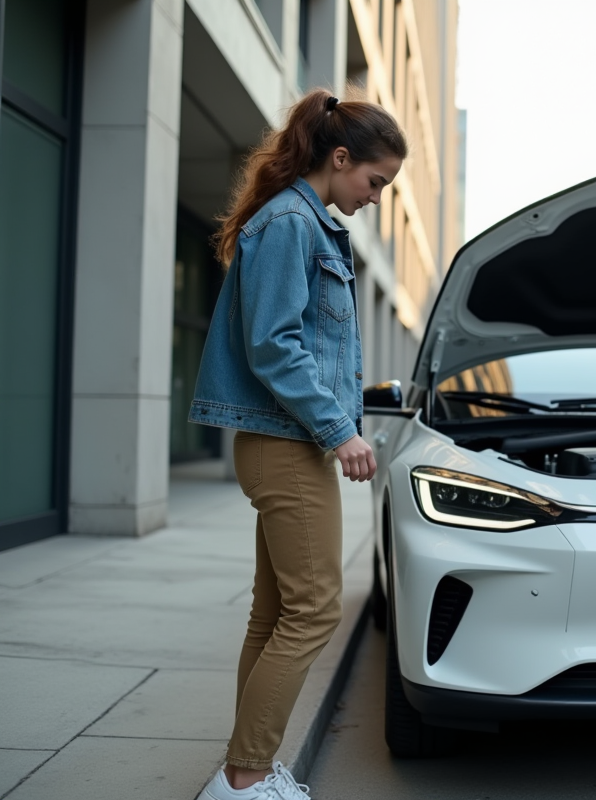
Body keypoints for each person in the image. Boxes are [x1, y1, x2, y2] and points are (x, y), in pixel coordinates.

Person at [189, 88, 406, 800]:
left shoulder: (305, 222)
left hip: (285, 438)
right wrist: (340, 430)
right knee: (314, 608)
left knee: (277, 608)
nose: (375, 197)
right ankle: (247, 776)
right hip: (287, 442)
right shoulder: (291, 223)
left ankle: (246, 767)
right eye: (374, 182)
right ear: (340, 158)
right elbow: (275, 346)